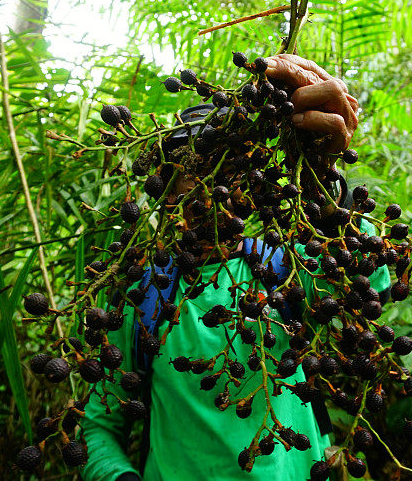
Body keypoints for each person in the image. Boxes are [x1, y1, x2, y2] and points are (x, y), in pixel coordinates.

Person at [81, 54, 391, 481]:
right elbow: (99, 425)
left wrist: (325, 176)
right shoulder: (142, 299)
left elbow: (370, 282)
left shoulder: (283, 268)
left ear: (251, 184)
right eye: (195, 168)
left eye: (232, 168)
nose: (216, 186)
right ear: (167, 188)